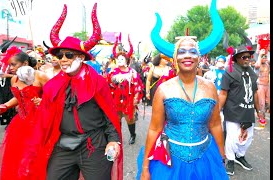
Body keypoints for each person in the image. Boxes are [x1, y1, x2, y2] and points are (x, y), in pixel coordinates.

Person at [17, 3, 123, 180]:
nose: (63, 60)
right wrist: (32, 150)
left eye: (69, 55)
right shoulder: (52, 85)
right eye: (60, 56)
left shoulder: (97, 81)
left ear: (81, 57)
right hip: (63, 145)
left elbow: (109, 113)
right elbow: (44, 119)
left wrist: (113, 139)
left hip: (93, 144)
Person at [137, 0, 228, 178]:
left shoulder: (210, 88)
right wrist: (146, 168)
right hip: (170, 162)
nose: (187, 55)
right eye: (182, 51)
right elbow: (154, 129)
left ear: (199, 57)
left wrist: (221, 156)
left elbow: (215, 124)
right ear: (175, 58)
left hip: (205, 159)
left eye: (193, 51)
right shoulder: (164, 89)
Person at [0, 46, 50, 180]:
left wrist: (43, 101)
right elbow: (19, 97)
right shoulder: (14, 79)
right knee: (17, 159)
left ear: (25, 63)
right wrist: (5, 106)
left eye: (13, 65)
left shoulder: (41, 76)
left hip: (39, 124)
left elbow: (55, 97)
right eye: (9, 65)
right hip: (20, 123)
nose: (10, 68)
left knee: (34, 160)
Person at [219, 32, 264, 176]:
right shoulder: (229, 73)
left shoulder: (252, 73)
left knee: (248, 138)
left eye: (249, 56)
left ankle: (240, 156)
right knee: (232, 138)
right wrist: (217, 111)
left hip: (248, 111)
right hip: (233, 111)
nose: (247, 59)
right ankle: (230, 160)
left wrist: (259, 111)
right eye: (243, 57)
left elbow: (255, 92)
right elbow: (223, 93)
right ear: (236, 58)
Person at [107, 35, 144, 145]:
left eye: (122, 59)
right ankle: (117, 137)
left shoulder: (132, 72)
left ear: (127, 60)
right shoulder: (113, 72)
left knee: (130, 119)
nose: (119, 61)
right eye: (118, 59)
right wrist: (114, 79)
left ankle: (133, 135)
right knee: (116, 119)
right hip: (115, 99)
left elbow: (138, 85)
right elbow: (108, 83)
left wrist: (136, 98)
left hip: (129, 99)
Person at [254, 48, 270, 126]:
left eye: (265, 56)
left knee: (268, 103)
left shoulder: (267, 64)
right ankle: (262, 117)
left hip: (267, 86)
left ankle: (260, 113)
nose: (264, 58)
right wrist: (260, 55)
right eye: (263, 57)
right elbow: (257, 65)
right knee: (262, 103)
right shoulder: (258, 63)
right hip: (260, 86)